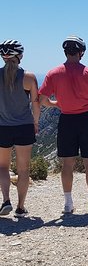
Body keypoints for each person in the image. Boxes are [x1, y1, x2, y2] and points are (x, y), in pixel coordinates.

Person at [38, 36, 88, 214]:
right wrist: (87, 99)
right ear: (81, 52)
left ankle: (68, 203)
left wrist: (57, 103)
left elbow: (43, 100)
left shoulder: (53, 73)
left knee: (67, 164)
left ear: (65, 52)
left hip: (66, 120)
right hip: (87, 119)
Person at [0, 40, 40, 218]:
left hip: (3, 127)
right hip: (24, 127)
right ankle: (21, 207)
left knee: (2, 167)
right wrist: (36, 122)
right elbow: (36, 103)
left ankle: (6, 200)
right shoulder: (29, 77)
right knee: (23, 170)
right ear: (20, 56)